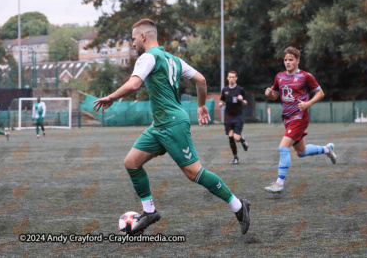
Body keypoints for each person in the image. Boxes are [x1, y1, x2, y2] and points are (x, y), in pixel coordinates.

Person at [94, 19, 251, 235]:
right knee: (131, 162)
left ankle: (238, 206)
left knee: (193, 172)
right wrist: (202, 105)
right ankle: (149, 211)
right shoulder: (174, 60)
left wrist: (111, 97)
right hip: (160, 124)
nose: (132, 44)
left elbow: (134, 84)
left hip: (172, 124)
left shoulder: (147, 57)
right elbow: (201, 80)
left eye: (132, 39)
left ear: (142, 37)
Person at [264, 46, 336, 194]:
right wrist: (269, 94)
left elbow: (320, 93)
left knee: (283, 147)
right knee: (301, 152)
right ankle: (327, 149)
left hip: (300, 118)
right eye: (285, 60)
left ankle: (279, 184)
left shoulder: (305, 76)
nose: (287, 62)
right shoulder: (279, 76)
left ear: (298, 61)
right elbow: (275, 96)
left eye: (291, 60)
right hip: (287, 118)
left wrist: (307, 104)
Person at [219, 70, 249, 164]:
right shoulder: (225, 90)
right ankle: (236, 158)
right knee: (230, 137)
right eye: (230, 77)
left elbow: (245, 102)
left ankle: (242, 139)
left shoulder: (240, 90)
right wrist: (221, 103)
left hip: (237, 116)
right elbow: (222, 100)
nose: (231, 79)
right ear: (227, 78)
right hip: (228, 116)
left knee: (236, 138)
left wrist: (241, 100)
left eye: (233, 77)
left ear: (236, 78)